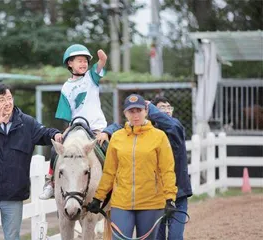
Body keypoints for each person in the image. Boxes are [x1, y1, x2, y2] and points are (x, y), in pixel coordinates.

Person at [0, 84, 63, 240]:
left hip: (13, 193)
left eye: (9, 98)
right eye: (1, 99)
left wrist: (56, 134)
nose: (7, 102)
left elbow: (44, 133)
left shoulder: (26, 122)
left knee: (12, 236)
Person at [96, 95, 192, 240]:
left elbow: (166, 170)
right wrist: (98, 197)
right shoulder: (117, 137)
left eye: (139, 110)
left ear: (146, 111)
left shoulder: (163, 134)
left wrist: (170, 197)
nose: (135, 115)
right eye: (131, 111)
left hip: (155, 200)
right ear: (125, 113)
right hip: (122, 202)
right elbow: (109, 171)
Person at [39, 43, 108, 200]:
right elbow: (69, 113)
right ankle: (51, 182)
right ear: (70, 63)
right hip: (76, 127)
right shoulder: (66, 87)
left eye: (85, 61)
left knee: (109, 147)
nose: (83, 64)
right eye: (79, 60)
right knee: (57, 148)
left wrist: (102, 59)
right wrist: (66, 131)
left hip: (96, 128)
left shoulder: (91, 77)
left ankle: (115, 183)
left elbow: (100, 65)